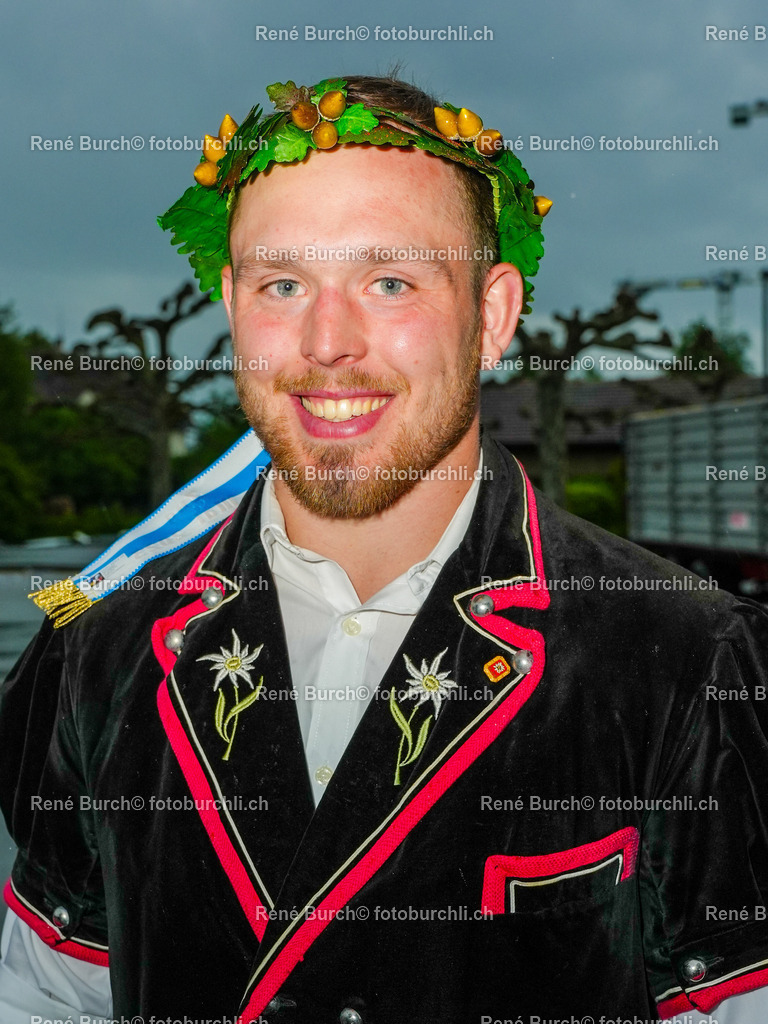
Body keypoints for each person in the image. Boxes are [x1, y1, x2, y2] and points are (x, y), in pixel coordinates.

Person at [1, 72, 768, 1024]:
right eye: (283, 284)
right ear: (234, 306)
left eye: (391, 282)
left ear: (492, 316)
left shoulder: (695, 663)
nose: (328, 342)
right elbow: (46, 996)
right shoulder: (96, 652)